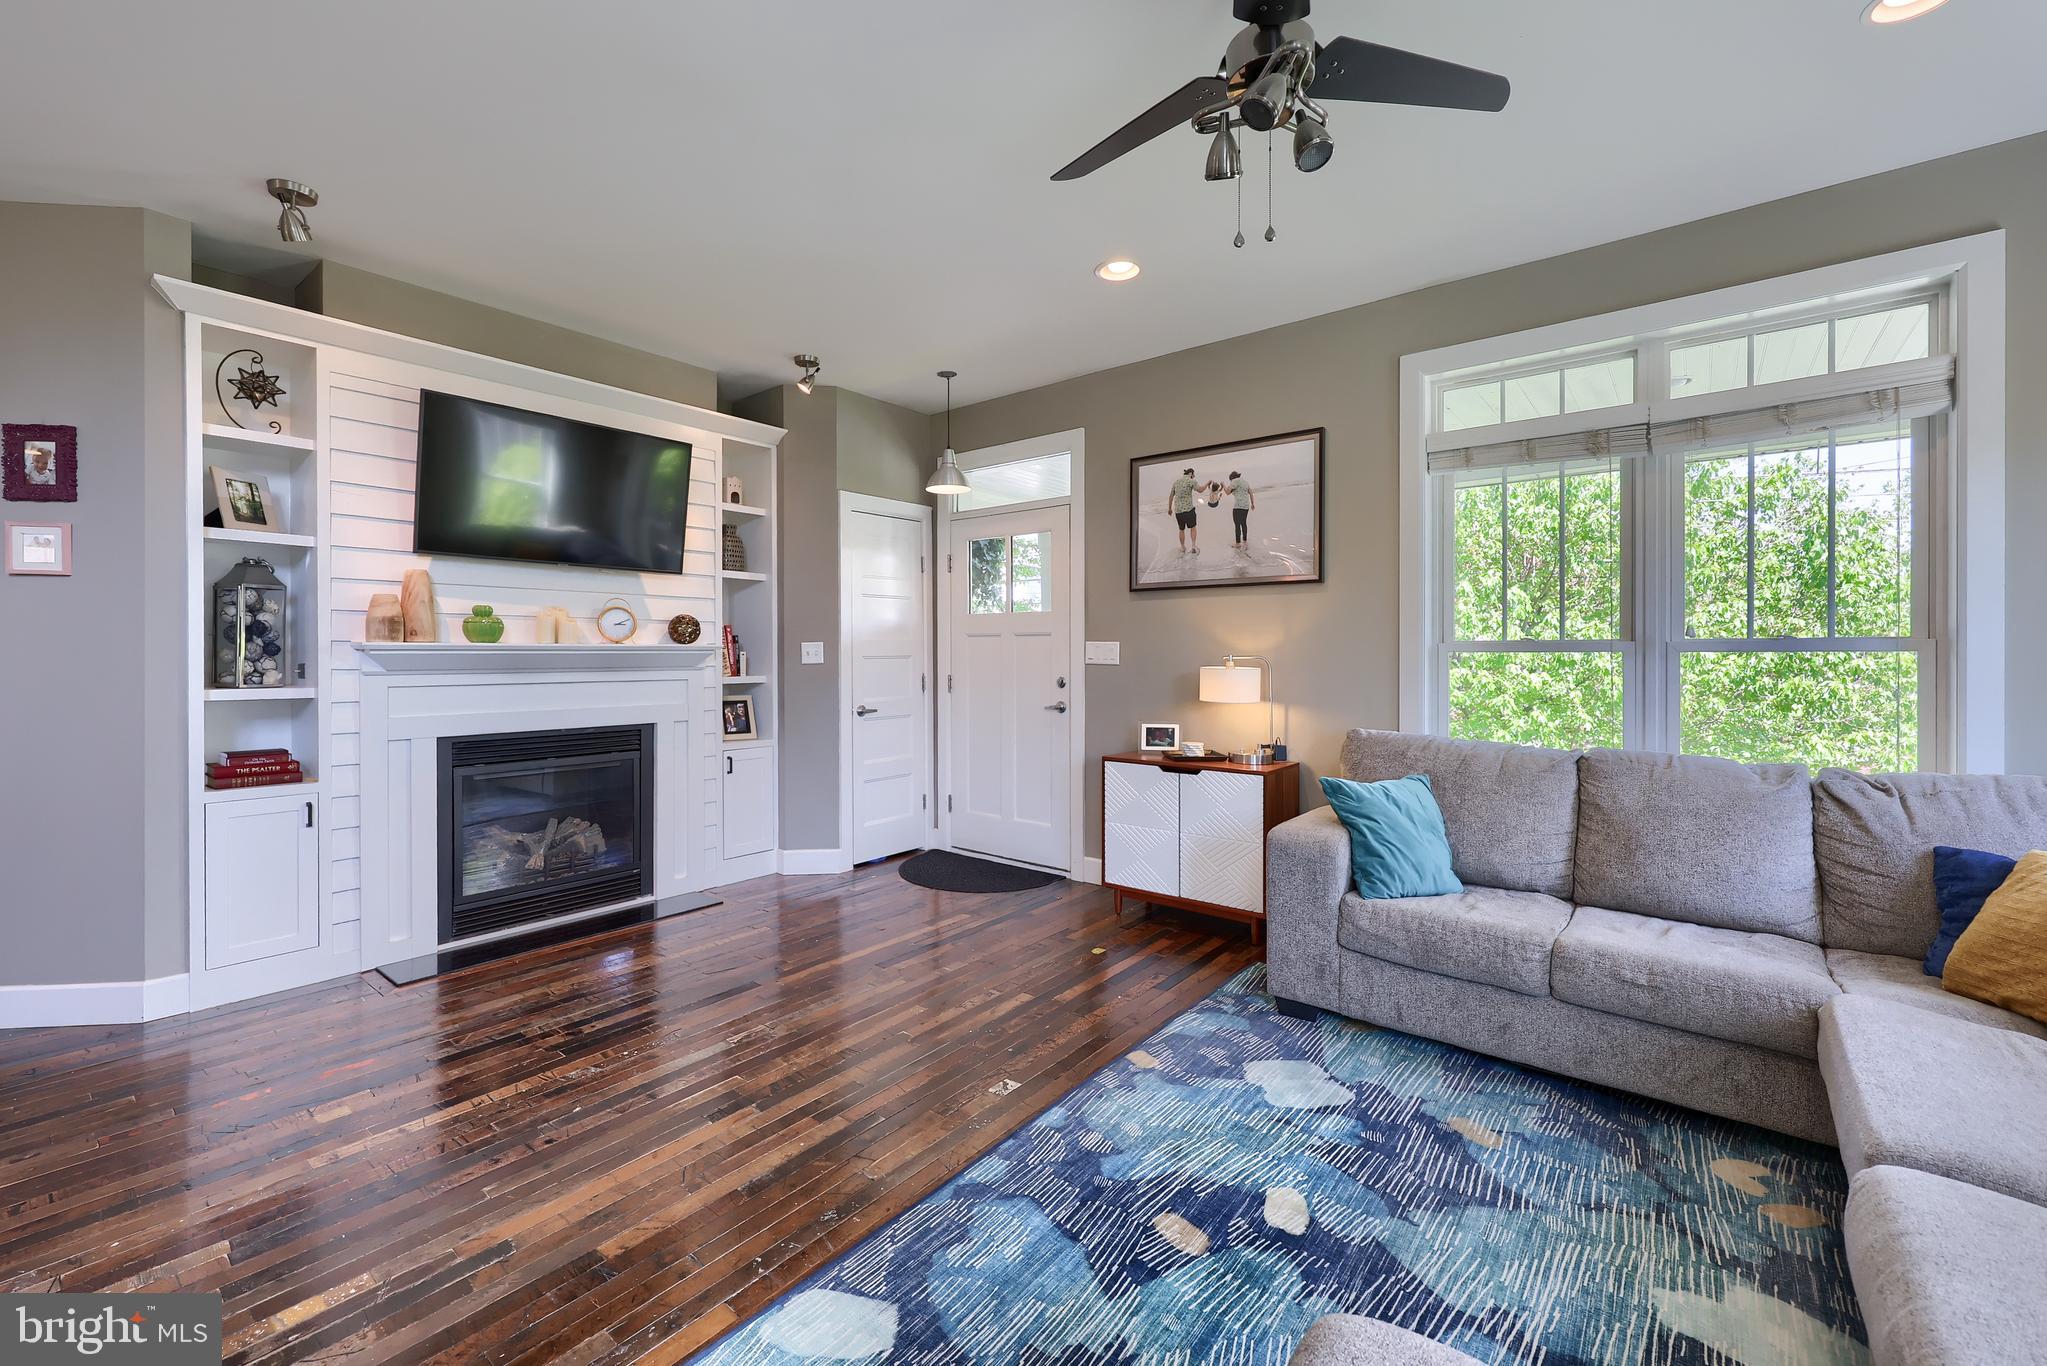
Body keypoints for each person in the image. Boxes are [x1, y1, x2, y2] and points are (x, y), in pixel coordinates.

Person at [1167, 466, 1200, 555]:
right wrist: (1207, 483)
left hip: (1178, 511)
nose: (1194, 476)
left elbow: (1171, 496)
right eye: (1193, 475)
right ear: (1191, 474)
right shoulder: (1191, 480)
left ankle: (1182, 547)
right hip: (1189, 510)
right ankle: (1193, 546)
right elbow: (1200, 490)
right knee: (1193, 528)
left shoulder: (1176, 482)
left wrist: (1169, 509)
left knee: (1181, 530)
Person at [1227, 469, 1255, 550]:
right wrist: (1253, 503)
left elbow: (1227, 492)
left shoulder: (1235, 481)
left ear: (1232, 478)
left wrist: (1224, 485)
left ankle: (1238, 543)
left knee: (1237, 524)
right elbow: (1251, 492)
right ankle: (1245, 541)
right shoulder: (1245, 482)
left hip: (1238, 506)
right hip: (1246, 506)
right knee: (1243, 523)